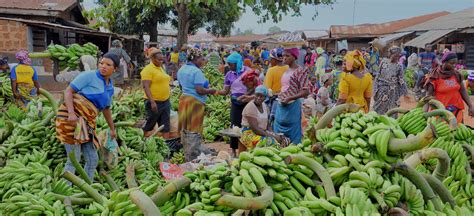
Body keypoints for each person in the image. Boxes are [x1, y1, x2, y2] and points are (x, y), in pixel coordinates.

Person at [56, 52, 118, 183]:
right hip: (70, 119)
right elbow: (68, 91)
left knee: (92, 159)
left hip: (88, 123)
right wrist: (72, 113)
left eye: (108, 64)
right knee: (74, 160)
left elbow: (106, 108)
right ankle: (65, 192)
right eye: (101, 63)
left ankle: (86, 188)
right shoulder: (88, 76)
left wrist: (112, 129)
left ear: (115, 69)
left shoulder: (110, 87)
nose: (103, 66)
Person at [217, 52, 253, 156]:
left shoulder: (248, 72)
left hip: (246, 102)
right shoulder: (229, 74)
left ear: (237, 63)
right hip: (235, 102)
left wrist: (245, 95)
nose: (229, 66)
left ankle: (247, 148)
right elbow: (225, 91)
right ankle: (233, 150)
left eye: (231, 64)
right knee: (235, 126)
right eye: (228, 64)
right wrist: (213, 91)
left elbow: (253, 87)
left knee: (247, 125)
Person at [424, 51, 474, 123]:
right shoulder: (434, 76)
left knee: (458, 132)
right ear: (444, 62)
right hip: (440, 113)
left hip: (456, 111)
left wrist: (470, 106)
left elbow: (463, 90)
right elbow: (428, 96)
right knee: (442, 132)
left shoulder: (457, 75)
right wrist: (424, 113)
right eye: (451, 63)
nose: (454, 65)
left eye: (455, 63)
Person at [274, 47, 310, 144]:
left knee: (293, 135)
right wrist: (278, 94)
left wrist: (290, 97)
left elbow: (306, 91)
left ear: (294, 57)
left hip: (292, 107)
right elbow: (286, 88)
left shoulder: (300, 71)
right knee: (278, 135)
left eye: (287, 56)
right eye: (283, 56)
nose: (284, 58)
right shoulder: (286, 70)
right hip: (281, 107)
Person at [177, 48, 217, 134]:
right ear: (195, 59)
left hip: (183, 100)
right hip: (195, 102)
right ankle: (193, 146)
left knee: (185, 125)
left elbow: (180, 87)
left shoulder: (181, 69)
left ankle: (183, 144)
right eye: (201, 59)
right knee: (194, 127)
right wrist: (211, 91)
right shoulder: (196, 71)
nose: (203, 62)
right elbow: (200, 90)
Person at [240, 85, 286, 150]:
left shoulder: (265, 106)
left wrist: (274, 134)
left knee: (283, 140)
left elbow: (268, 125)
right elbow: (255, 129)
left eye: (261, 96)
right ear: (254, 95)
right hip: (249, 134)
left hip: (262, 132)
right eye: (257, 95)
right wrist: (271, 136)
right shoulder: (250, 107)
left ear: (265, 97)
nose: (259, 98)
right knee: (270, 142)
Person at [140, 48, 171, 138]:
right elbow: (146, 86)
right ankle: (142, 141)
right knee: (150, 123)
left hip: (165, 101)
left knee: (165, 125)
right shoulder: (148, 70)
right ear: (152, 59)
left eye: (162, 59)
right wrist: (152, 102)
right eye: (159, 59)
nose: (161, 61)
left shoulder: (160, 68)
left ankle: (167, 145)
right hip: (154, 102)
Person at [372, 46, 409, 115]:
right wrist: (375, 89)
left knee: (392, 109)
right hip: (382, 90)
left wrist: (406, 92)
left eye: (398, 56)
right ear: (391, 54)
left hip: (392, 92)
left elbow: (401, 81)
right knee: (378, 108)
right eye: (395, 56)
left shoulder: (399, 66)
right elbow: (378, 75)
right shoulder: (383, 62)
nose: (397, 58)